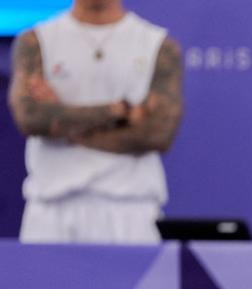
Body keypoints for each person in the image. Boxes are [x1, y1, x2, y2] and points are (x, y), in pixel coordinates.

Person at [7, 0, 183, 244]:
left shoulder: (157, 44)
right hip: (51, 211)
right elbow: (31, 120)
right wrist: (118, 112)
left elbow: (157, 135)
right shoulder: (36, 40)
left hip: (131, 211)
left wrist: (62, 117)